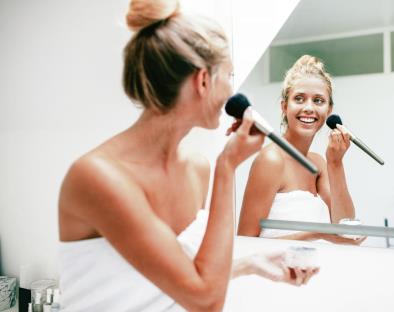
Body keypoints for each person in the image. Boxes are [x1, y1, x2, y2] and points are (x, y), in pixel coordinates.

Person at [58, 1, 318, 311]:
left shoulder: (196, 169)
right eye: (229, 77)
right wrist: (228, 167)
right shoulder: (98, 178)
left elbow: (175, 279)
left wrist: (251, 263)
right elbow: (205, 300)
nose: (230, 92)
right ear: (203, 81)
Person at [237, 55, 365, 245]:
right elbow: (245, 241)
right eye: (299, 99)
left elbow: (344, 228)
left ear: (329, 111)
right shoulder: (271, 160)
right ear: (284, 106)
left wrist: (335, 163)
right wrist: (316, 234)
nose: (308, 108)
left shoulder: (319, 163)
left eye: (318, 101)